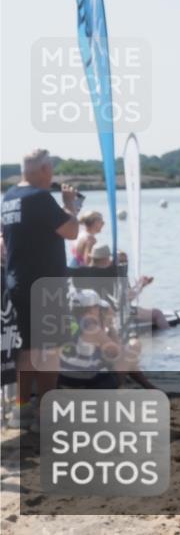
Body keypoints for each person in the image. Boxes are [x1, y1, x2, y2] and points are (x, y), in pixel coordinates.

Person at [1, 149, 79, 430]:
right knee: (50, 351)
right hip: (46, 285)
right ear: (45, 170)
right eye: (52, 169)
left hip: (18, 282)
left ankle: (21, 411)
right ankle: (46, 415)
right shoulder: (40, 198)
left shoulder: (9, 197)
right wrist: (70, 205)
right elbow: (72, 231)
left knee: (27, 349)